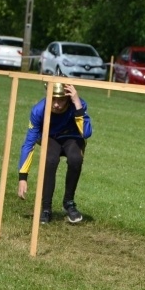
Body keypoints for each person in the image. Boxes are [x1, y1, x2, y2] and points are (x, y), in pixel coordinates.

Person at [18, 83, 92, 224]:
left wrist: (76, 101)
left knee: (75, 159)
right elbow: (29, 143)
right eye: (53, 99)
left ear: (68, 98)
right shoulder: (38, 110)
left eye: (62, 100)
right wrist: (22, 177)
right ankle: (46, 208)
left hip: (73, 137)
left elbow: (86, 133)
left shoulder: (78, 103)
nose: (57, 104)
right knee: (50, 160)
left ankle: (68, 202)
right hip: (51, 137)